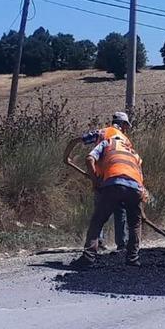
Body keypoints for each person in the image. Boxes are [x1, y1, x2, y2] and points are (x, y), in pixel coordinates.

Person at [63, 112, 132, 251]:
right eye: (126, 126)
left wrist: (66, 157)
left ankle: (98, 242)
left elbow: (74, 140)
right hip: (121, 178)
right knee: (120, 210)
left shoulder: (101, 133)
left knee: (100, 211)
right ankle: (121, 245)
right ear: (123, 125)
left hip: (102, 179)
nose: (126, 129)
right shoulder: (125, 140)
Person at [80, 126, 146, 266]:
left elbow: (89, 159)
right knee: (135, 223)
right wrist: (141, 211)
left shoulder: (107, 143)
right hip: (135, 188)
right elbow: (140, 180)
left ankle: (89, 256)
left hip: (113, 184)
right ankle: (133, 258)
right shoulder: (133, 153)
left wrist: (95, 180)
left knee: (98, 220)